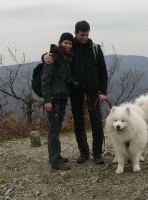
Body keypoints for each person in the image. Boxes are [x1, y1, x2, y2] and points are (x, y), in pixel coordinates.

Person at [43, 21, 108, 165]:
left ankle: (97, 154)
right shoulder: (71, 48)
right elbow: (56, 53)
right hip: (75, 93)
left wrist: (103, 91)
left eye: (86, 34)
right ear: (76, 33)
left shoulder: (95, 49)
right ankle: (84, 153)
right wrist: (44, 56)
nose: (84, 37)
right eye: (81, 34)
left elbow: (103, 71)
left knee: (96, 122)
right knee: (79, 123)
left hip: (93, 92)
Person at [41, 32, 74, 170]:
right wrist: (47, 100)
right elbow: (45, 80)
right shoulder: (53, 57)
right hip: (53, 99)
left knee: (56, 128)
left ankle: (55, 156)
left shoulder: (65, 58)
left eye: (70, 43)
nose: (67, 45)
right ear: (60, 42)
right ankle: (55, 162)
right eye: (65, 42)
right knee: (54, 131)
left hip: (61, 98)